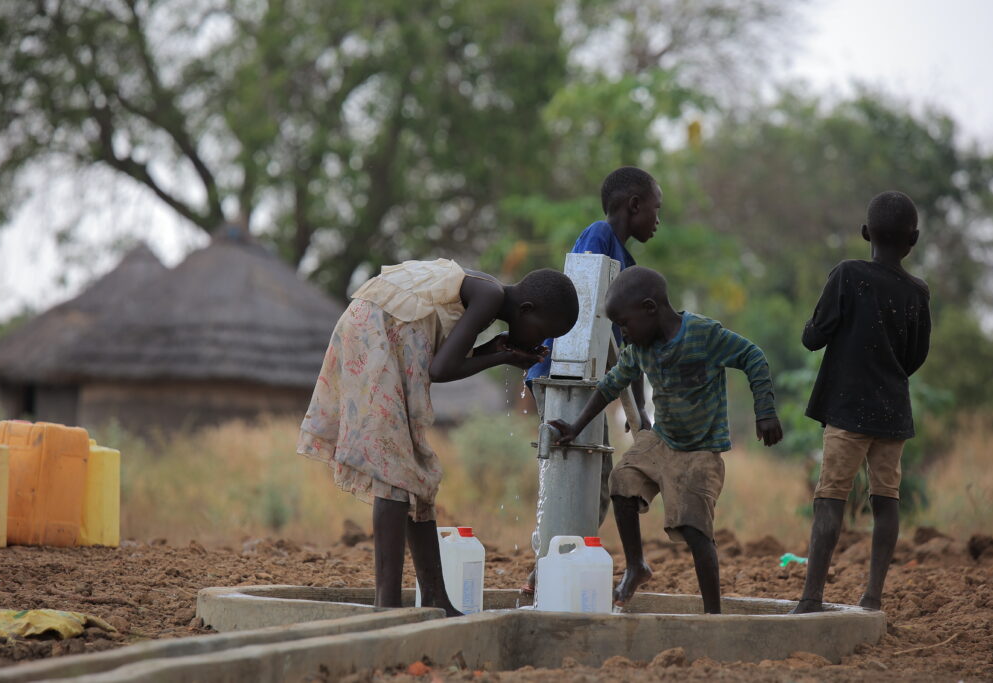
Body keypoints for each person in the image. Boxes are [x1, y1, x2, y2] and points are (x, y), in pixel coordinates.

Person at [298, 258, 579, 616]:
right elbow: (442, 368)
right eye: (543, 331)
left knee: (413, 469)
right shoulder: (489, 296)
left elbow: (446, 360)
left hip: (379, 327)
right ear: (527, 309)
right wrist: (503, 356)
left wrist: (495, 350)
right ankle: (386, 607)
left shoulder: (485, 291)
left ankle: (436, 599)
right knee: (394, 470)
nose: (541, 341)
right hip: (376, 331)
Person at [549, 266, 783, 613]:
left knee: (694, 525)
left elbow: (753, 356)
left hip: (702, 450)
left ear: (650, 308)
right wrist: (576, 426)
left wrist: (765, 410)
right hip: (663, 440)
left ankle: (712, 613)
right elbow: (611, 384)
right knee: (622, 480)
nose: (624, 334)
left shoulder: (704, 334)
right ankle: (636, 565)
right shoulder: (639, 348)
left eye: (625, 324)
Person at [791, 191, 931, 614]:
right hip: (892, 413)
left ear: (866, 232)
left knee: (831, 498)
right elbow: (915, 356)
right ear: (914, 239)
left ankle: (812, 597)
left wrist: (812, 326)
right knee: (886, 500)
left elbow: (815, 336)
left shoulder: (848, 275)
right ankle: (872, 597)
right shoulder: (918, 292)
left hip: (847, 410)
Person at [523, 166, 660, 593]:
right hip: (564, 375)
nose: (658, 220)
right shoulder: (599, 237)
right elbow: (581, 312)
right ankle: (548, 570)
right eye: (655, 209)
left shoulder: (628, 263)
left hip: (589, 385)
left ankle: (555, 566)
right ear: (633, 205)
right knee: (575, 472)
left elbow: (628, 345)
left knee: (593, 482)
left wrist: (638, 414)